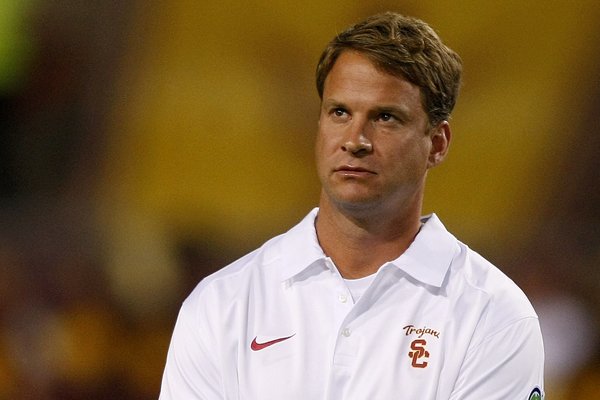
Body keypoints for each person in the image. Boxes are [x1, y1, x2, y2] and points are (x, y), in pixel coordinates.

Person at [159, 12, 544, 399]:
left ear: (438, 144)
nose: (356, 140)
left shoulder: (492, 316)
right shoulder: (221, 304)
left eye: (386, 117)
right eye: (340, 112)